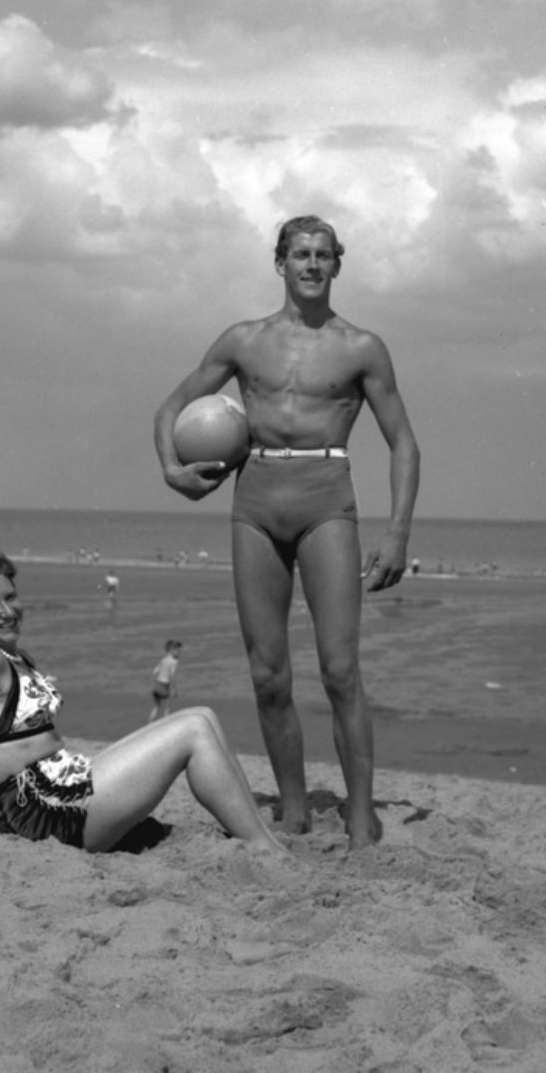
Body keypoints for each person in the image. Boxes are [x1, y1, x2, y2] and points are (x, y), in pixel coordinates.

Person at [154, 215, 420, 848]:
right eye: (299, 253)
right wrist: (172, 471)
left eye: (323, 255)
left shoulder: (362, 347)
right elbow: (170, 407)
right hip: (255, 503)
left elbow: (403, 443)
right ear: (280, 263)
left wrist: (398, 535)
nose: (311, 264)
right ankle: (295, 810)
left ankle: (360, 813)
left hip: (326, 501)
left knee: (339, 670)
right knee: (268, 674)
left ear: (336, 265)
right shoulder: (244, 340)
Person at [0, 547, 286, 855]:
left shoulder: (13, 658)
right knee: (194, 729)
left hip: (68, 789)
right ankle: (264, 847)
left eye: (10, 597)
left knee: (203, 714)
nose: (7, 611)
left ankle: (262, 836)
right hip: (53, 814)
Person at [150, 639, 182, 721]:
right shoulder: (174, 661)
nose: (179, 653)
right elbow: (171, 676)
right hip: (164, 686)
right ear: (172, 650)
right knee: (167, 708)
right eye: (177, 650)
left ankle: (149, 724)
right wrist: (175, 690)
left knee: (156, 707)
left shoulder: (163, 660)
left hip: (157, 685)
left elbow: (154, 672)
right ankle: (166, 726)